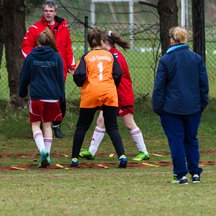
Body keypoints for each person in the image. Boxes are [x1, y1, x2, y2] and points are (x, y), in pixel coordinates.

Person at [79, 30, 150, 161]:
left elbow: (116, 76)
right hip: (111, 95)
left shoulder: (114, 56)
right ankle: (91, 151)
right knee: (101, 121)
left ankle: (143, 151)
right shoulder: (109, 55)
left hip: (121, 95)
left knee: (129, 123)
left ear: (105, 43)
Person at [153, 26, 208, 184]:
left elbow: (159, 88)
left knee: (176, 140)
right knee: (191, 139)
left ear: (171, 40)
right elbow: (203, 85)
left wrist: (158, 108)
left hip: (171, 109)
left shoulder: (165, 60)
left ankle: (181, 174)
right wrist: (201, 104)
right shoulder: (196, 59)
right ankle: (195, 173)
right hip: (193, 107)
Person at [70, 28, 128, 168]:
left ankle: (74, 159)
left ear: (89, 42)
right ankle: (122, 156)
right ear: (102, 41)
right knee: (112, 126)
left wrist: (82, 83)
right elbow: (118, 73)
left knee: (82, 126)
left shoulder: (86, 57)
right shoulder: (110, 56)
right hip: (109, 92)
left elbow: (79, 76)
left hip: (91, 92)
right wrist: (111, 85)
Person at [21, 0, 75, 138]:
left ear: (55, 12)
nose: (48, 13)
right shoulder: (35, 28)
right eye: (46, 10)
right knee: (39, 98)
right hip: (40, 70)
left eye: (51, 11)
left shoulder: (63, 28)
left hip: (58, 69)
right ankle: (39, 127)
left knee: (59, 99)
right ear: (42, 11)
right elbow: (25, 48)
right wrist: (32, 62)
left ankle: (56, 125)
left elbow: (68, 48)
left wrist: (71, 65)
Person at [19, 28, 65, 168]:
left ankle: (43, 151)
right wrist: (61, 96)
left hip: (38, 96)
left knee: (35, 124)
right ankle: (47, 156)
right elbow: (60, 79)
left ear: (37, 42)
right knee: (47, 124)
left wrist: (22, 92)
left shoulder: (31, 56)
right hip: (53, 97)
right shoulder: (56, 56)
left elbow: (24, 77)